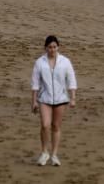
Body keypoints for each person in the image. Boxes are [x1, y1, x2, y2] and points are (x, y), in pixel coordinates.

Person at [30, 35, 77, 167]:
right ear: (45, 48)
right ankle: (44, 152)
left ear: (58, 47)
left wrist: (73, 97)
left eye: (54, 47)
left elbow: (71, 80)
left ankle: (54, 154)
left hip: (61, 98)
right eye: (50, 47)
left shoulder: (65, 62)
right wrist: (33, 101)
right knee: (45, 125)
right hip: (44, 98)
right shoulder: (39, 62)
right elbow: (35, 84)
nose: (52, 49)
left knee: (56, 126)